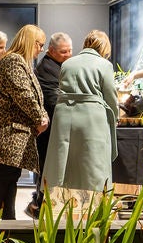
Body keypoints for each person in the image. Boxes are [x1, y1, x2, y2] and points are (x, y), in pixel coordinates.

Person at [0, 25, 49, 220]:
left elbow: (34, 96)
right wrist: (40, 117)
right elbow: (23, 95)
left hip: (11, 142)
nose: (41, 49)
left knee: (7, 190)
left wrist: (42, 115)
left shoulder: (21, 63)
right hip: (4, 142)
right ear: (30, 42)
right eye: (40, 44)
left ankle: (3, 240)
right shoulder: (13, 62)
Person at [42, 30, 119, 196]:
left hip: (64, 115)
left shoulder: (68, 63)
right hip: (91, 115)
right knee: (93, 164)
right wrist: (115, 117)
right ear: (104, 47)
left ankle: (59, 203)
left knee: (63, 162)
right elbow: (110, 95)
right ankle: (92, 204)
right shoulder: (104, 65)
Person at [28, 31, 72, 218]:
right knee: (47, 167)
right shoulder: (47, 68)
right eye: (63, 52)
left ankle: (41, 200)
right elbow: (54, 101)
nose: (68, 55)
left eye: (70, 51)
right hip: (48, 129)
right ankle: (41, 203)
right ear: (51, 51)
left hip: (52, 126)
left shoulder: (58, 65)